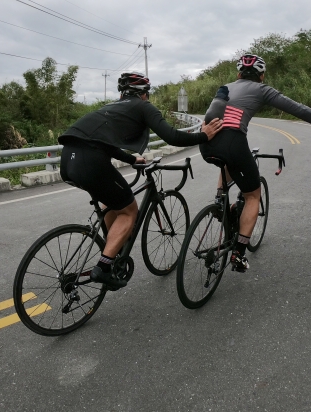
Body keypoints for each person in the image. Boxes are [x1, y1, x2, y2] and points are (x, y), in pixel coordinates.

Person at [58, 72, 223, 289]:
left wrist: (130, 158)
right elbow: (172, 136)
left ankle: (110, 249)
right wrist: (204, 135)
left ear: (122, 93)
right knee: (129, 212)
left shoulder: (110, 107)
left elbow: (102, 143)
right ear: (144, 94)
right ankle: (104, 267)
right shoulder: (143, 107)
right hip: (90, 161)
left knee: (112, 202)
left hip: (68, 160)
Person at [202, 54, 311, 272]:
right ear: (261, 75)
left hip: (206, 143)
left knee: (226, 161)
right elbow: (298, 109)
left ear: (238, 74)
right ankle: (239, 254)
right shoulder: (262, 89)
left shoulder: (226, 87)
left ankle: (220, 200)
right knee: (252, 195)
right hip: (234, 142)